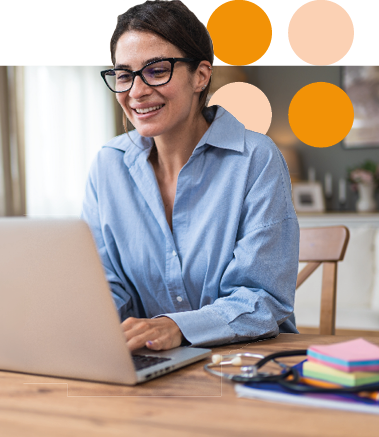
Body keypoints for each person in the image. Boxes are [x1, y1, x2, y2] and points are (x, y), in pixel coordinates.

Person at [81, 0, 299, 352]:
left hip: (245, 363)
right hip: (152, 364)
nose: (136, 91)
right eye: (124, 75)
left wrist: (177, 327)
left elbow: (264, 298)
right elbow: (104, 286)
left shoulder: (255, 159)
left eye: (157, 70)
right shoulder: (108, 166)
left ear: (201, 75)